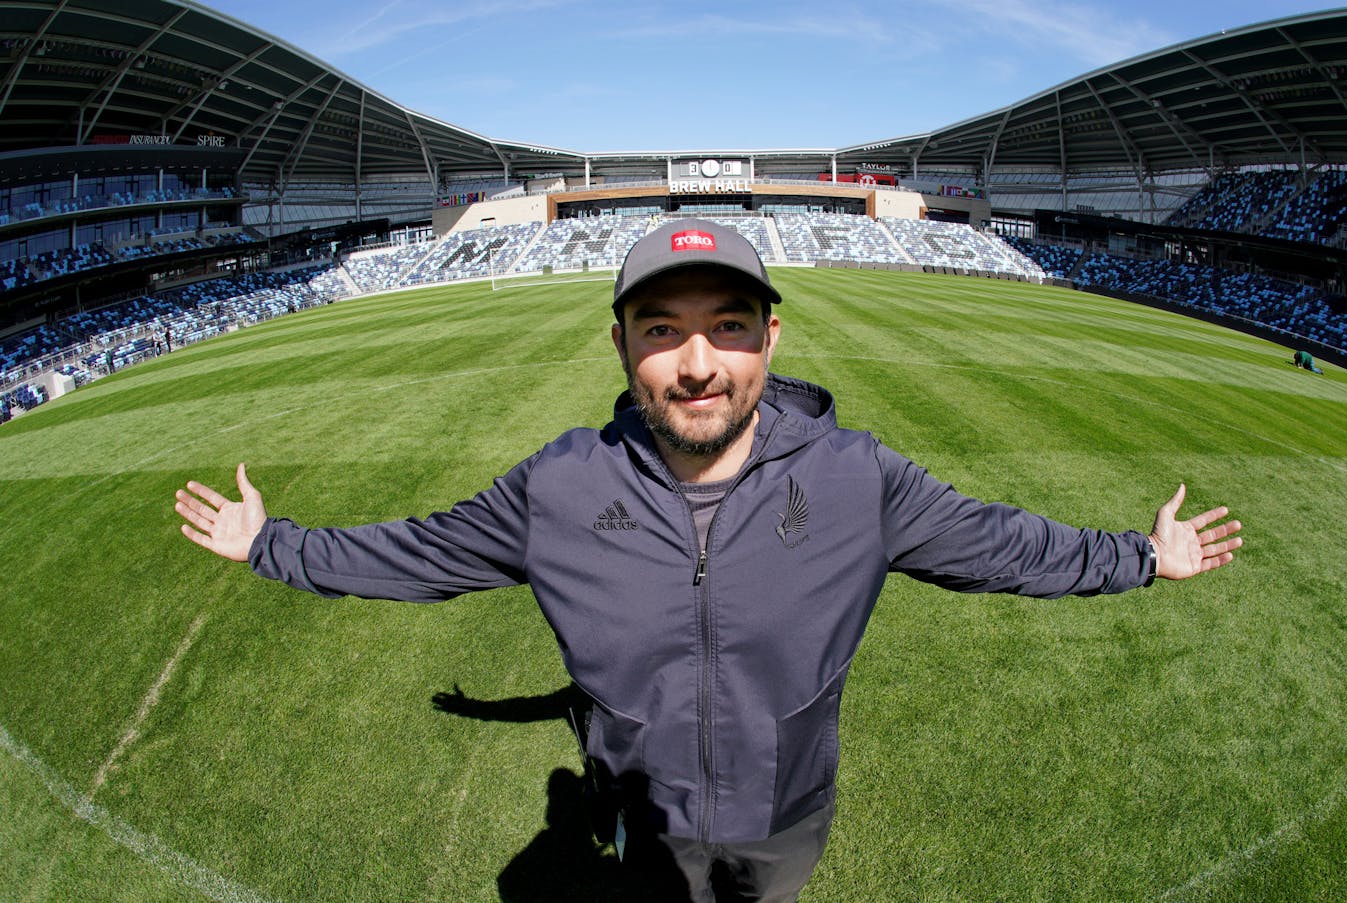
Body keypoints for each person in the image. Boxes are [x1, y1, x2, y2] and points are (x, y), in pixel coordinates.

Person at [175, 218, 1242, 902]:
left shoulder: (856, 481)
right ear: (622, 347)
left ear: (770, 340)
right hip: (645, 825)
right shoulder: (556, 487)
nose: (695, 365)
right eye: (661, 330)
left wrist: (1140, 559)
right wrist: (268, 543)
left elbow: (1003, 543)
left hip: (784, 825)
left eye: (726, 326)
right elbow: (416, 554)